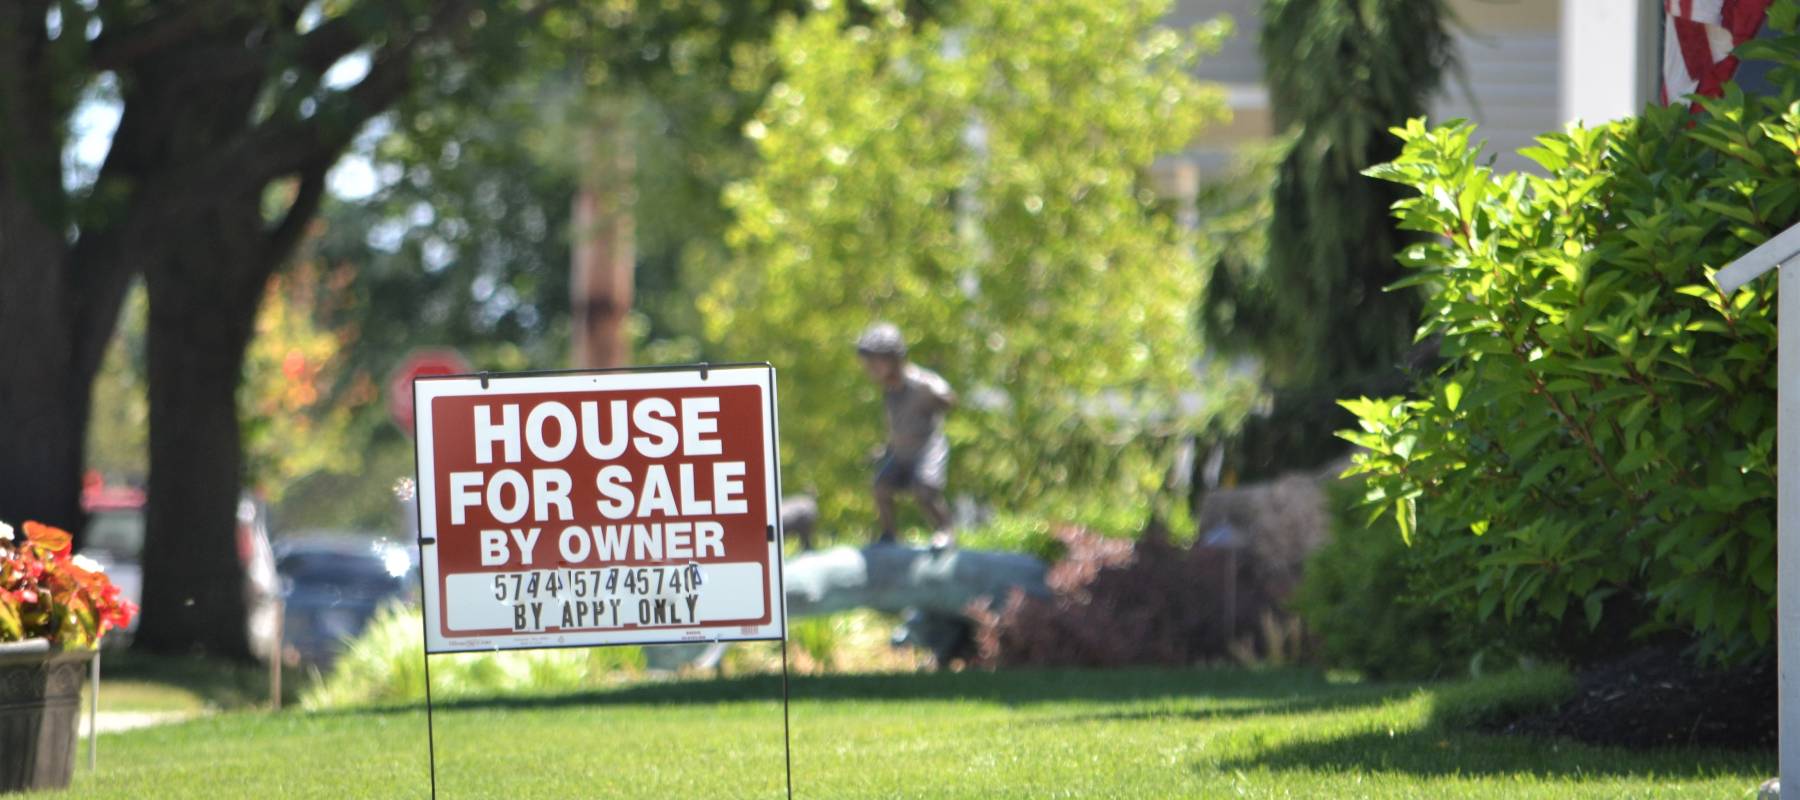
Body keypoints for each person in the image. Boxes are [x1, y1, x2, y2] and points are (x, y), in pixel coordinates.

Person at [856, 323, 956, 549]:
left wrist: (938, 396)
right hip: (901, 450)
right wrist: (885, 449)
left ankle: (945, 530)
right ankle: (889, 534)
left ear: (893, 358)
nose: (870, 368)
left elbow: (946, 396)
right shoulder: (890, 390)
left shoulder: (919, 383)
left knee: (925, 489)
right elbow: (898, 425)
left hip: (926, 449)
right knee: (881, 486)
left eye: (875, 361)